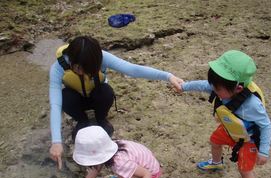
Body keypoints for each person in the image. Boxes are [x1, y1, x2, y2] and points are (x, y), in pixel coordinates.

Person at [49, 36, 183, 169]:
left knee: (106, 91)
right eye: (79, 69)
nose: (83, 73)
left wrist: (168, 76)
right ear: (72, 62)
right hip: (76, 98)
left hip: (97, 96)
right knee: (65, 97)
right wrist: (56, 142)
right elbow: (55, 105)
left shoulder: (101, 57)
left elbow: (133, 70)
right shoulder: (58, 68)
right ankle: (82, 121)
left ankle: (101, 119)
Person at [181, 50, 271, 178]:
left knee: (245, 170)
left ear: (238, 88)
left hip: (248, 139)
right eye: (213, 85)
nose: (212, 89)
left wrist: (264, 151)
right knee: (214, 140)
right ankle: (217, 163)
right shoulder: (222, 85)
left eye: (217, 88)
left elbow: (266, 125)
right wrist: (184, 86)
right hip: (231, 130)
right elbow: (203, 85)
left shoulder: (253, 105)